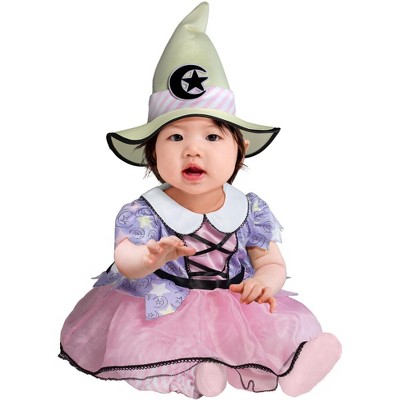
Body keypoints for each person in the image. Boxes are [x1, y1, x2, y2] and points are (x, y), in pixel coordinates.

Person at [59, 3, 341, 398]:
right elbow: (125, 259)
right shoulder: (144, 212)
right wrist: (149, 258)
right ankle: (198, 375)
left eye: (212, 137)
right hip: (166, 300)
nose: (193, 150)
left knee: (264, 330)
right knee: (158, 343)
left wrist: (264, 282)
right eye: (175, 137)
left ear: (240, 148)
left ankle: (292, 366)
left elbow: (271, 261)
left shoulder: (249, 209)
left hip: (233, 297)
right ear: (151, 153)